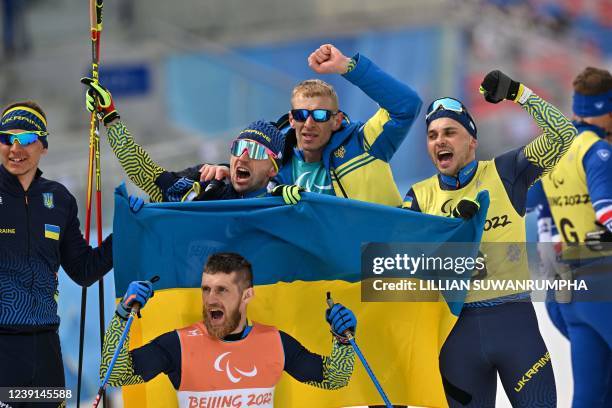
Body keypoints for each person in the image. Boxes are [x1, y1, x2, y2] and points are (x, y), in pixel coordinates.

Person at [402, 70, 578, 407]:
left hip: (515, 329)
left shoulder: (505, 172)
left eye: (450, 132)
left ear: (472, 140)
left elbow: (564, 136)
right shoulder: (418, 197)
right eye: (433, 134)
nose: (440, 140)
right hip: (456, 341)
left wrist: (518, 92)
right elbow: (406, 270)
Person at [99, 252, 357, 406]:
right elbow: (113, 375)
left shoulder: (275, 342)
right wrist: (123, 315)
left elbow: (335, 377)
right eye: (206, 289)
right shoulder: (178, 344)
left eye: (222, 290)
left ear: (247, 295)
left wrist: (342, 340)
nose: (211, 299)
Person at [201, 43, 423, 207]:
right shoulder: (276, 164)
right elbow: (248, 189)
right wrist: (224, 174)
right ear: (291, 119)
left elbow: (407, 105)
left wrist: (346, 66)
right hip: (312, 270)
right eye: (301, 114)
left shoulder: (363, 143)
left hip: (374, 265)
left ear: (336, 121)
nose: (308, 123)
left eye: (319, 115)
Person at [0, 101, 114, 404]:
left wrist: (127, 233)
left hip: (47, 347)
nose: (15, 147)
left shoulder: (59, 199)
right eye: (6, 138)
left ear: (43, 146)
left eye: (25, 139)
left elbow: (84, 270)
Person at [81, 78, 301, 204]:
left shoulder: (285, 201)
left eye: (256, 151)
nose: (243, 156)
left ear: (273, 169)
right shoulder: (205, 188)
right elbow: (143, 173)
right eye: (240, 147)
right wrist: (111, 118)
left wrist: (302, 204)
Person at [540, 66, 612, 407]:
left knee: (590, 395)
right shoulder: (598, 152)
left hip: (569, 289)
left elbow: (538, 213)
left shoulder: (555, 154)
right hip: (603, 283)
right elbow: (606, 212)